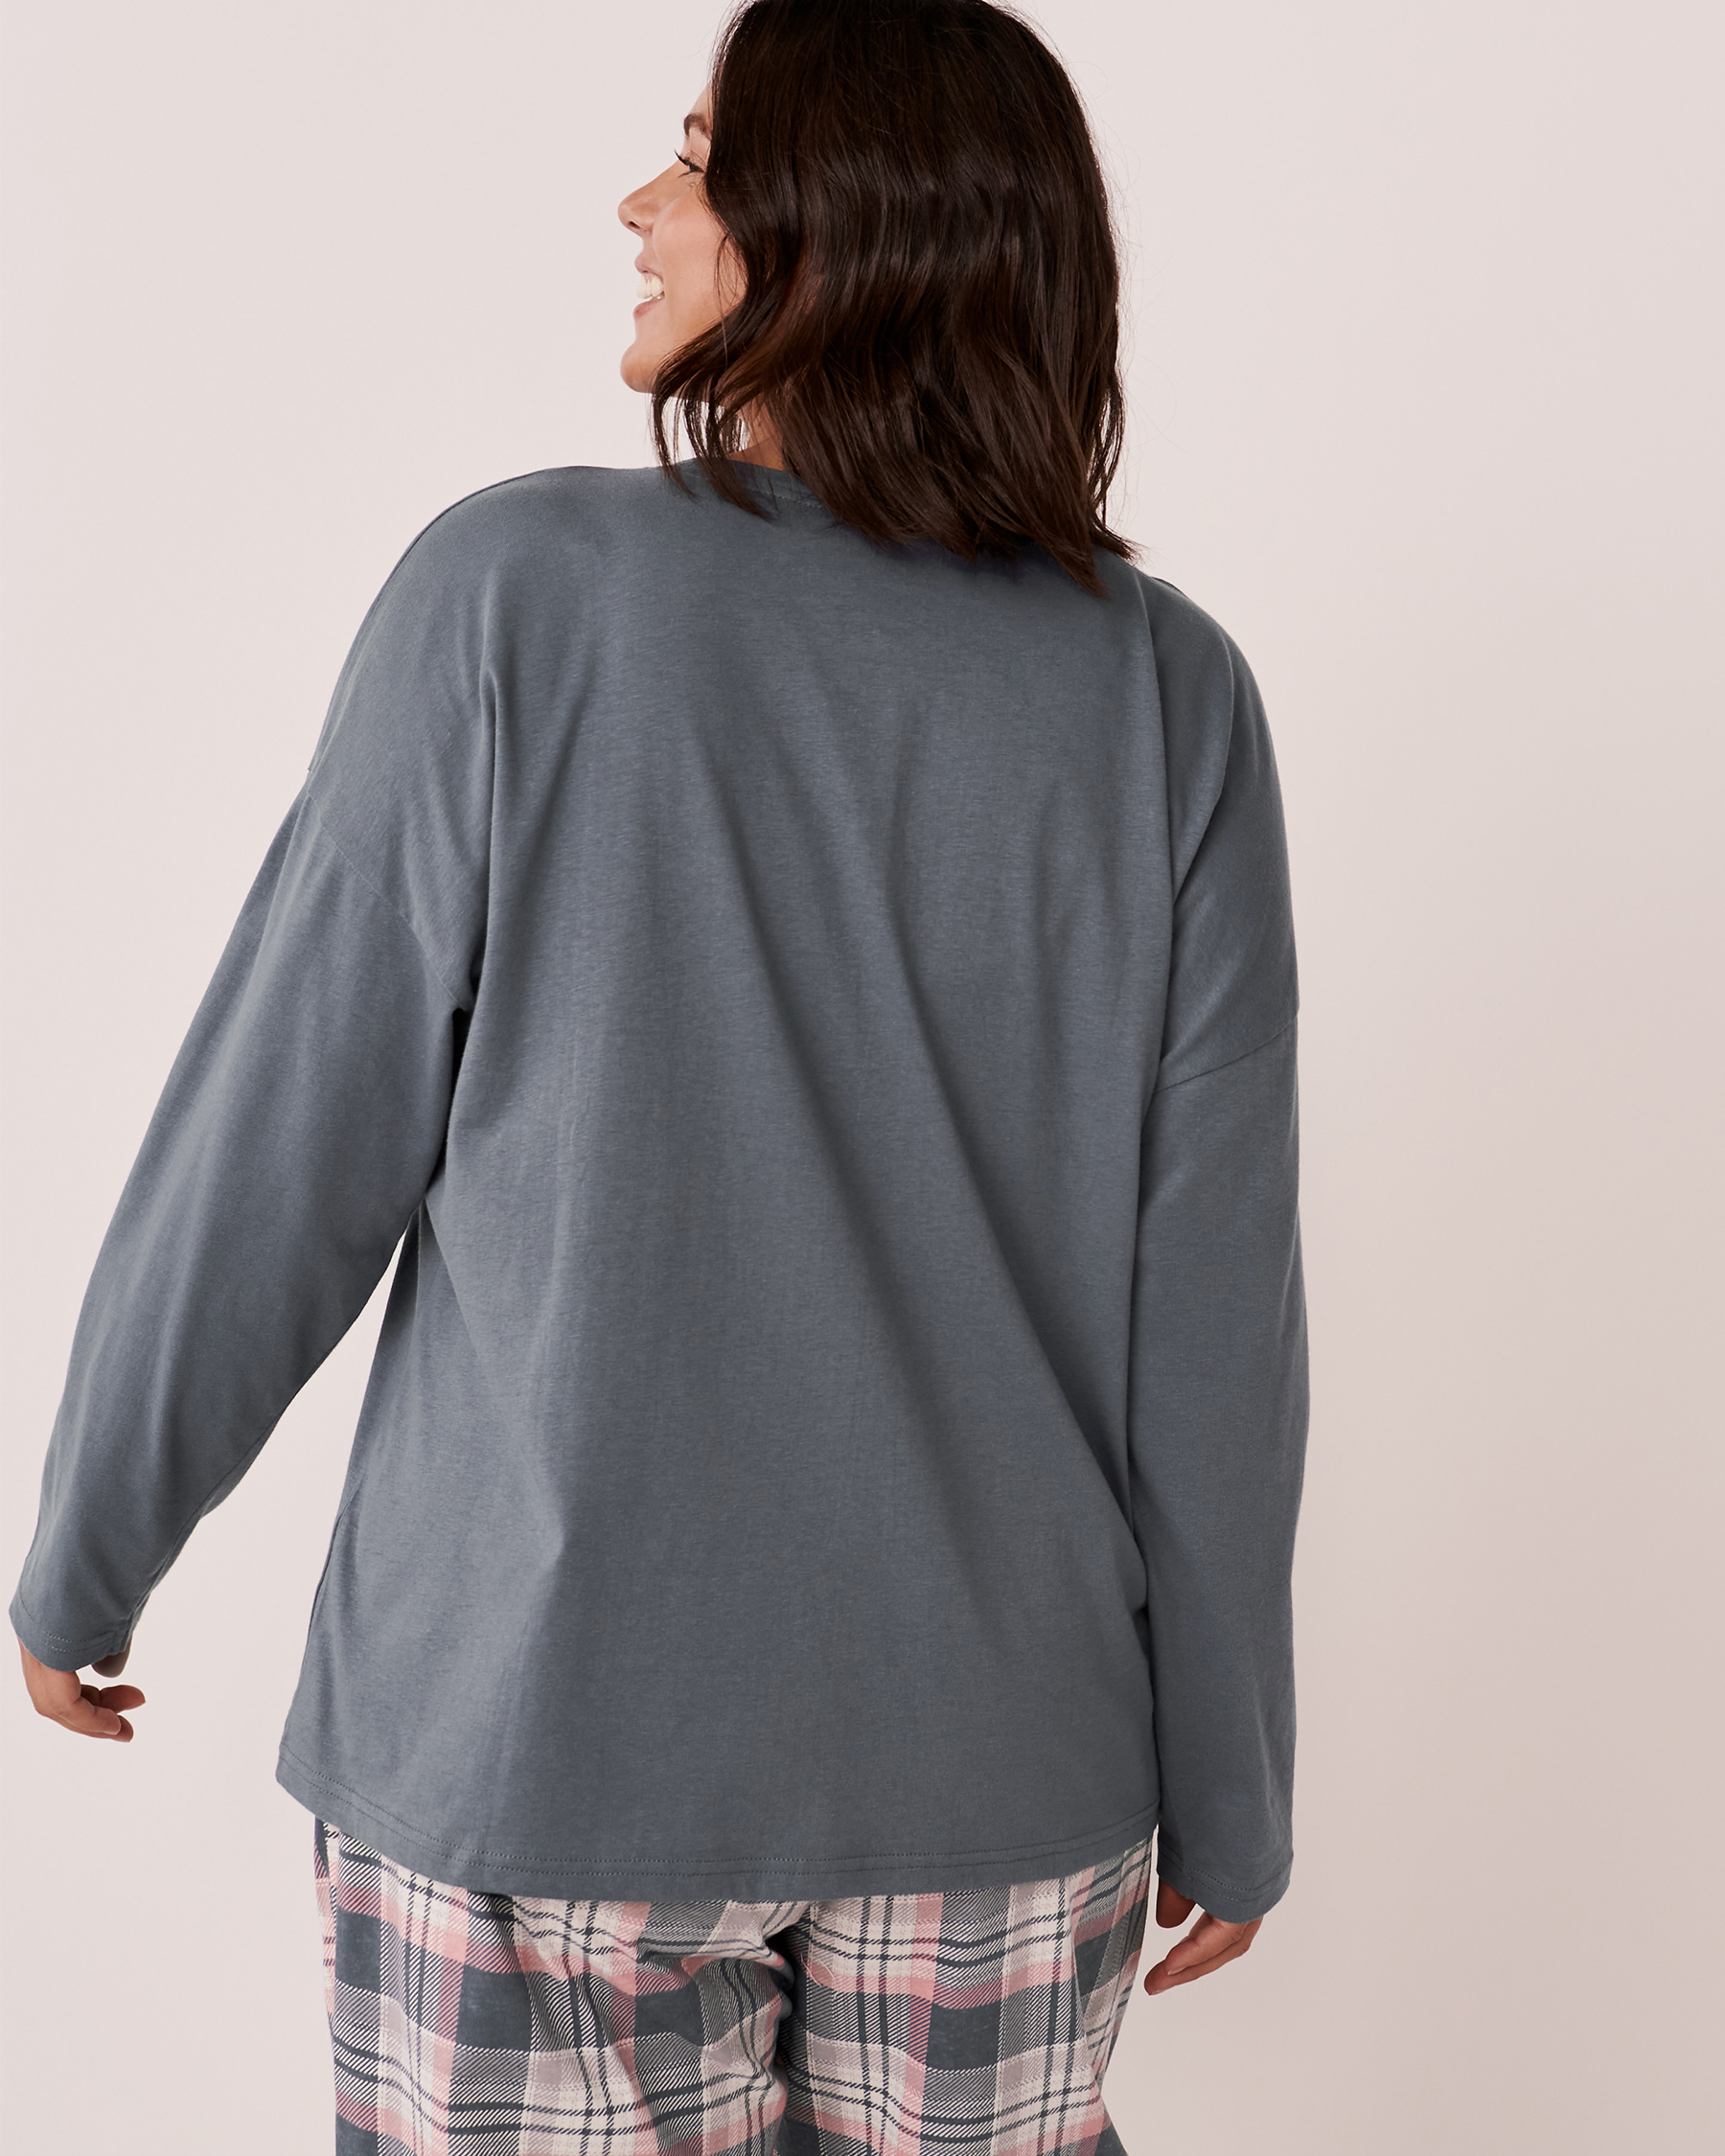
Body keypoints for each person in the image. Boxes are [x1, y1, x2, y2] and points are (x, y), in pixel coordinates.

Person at [12, 1, 1309, 2148]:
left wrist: (88, 1544)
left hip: (535, 1753)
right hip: (1001, 1776)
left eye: (700, 160)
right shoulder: (1169, 694)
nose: (641, 204)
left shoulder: (515, 597)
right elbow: (1218, 1320)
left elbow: (284, 1136)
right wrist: (1233, 1775)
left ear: (844, 217)